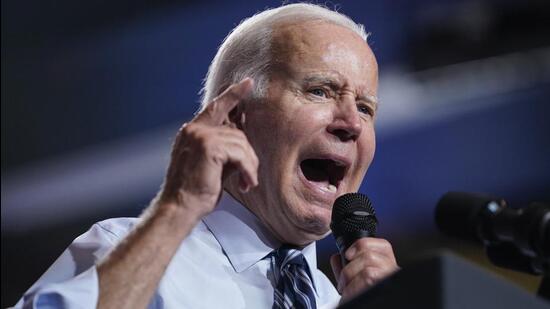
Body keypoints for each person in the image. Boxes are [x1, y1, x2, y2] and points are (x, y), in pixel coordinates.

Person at [14, 3, 398, 308]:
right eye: (321, 90)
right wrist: (176, 209)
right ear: (234, 114)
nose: (352, 123)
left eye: (366, 108)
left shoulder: (345, 302)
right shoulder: (128, 256)